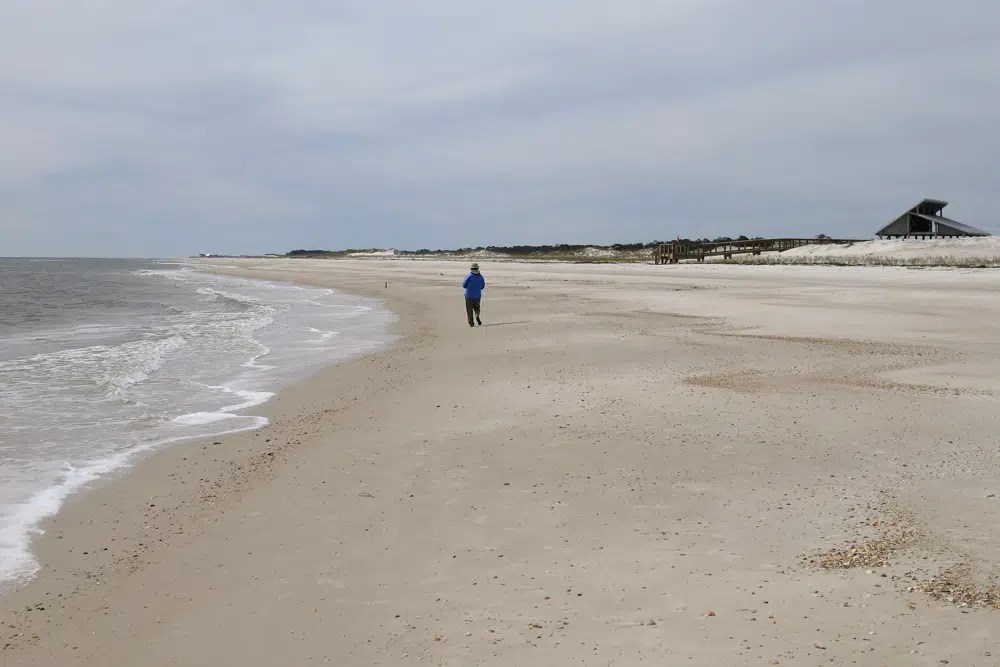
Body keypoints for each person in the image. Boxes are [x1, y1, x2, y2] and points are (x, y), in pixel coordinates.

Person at [462, 262, 486, 327]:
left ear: (471, 268)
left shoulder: (469, 276)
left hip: (468, 296)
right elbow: (483, 286)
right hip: (477, 295)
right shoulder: (481, 276)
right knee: (477, 308)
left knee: (469, 310)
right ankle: (477, 315)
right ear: (477, 268)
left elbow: (464, 285)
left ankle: (471, 323)